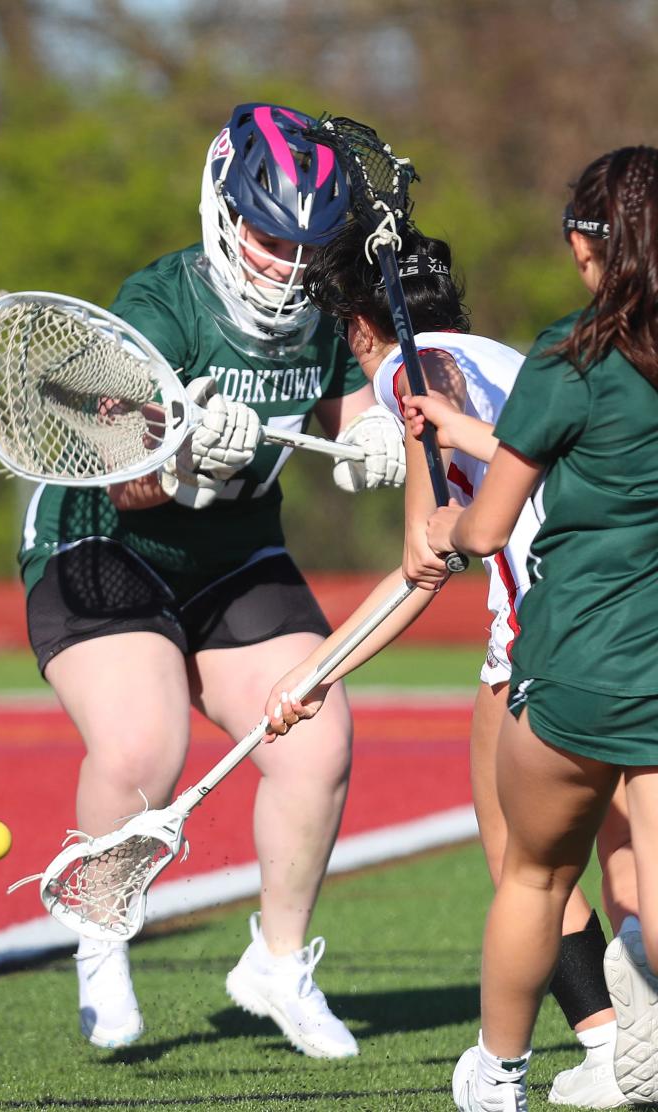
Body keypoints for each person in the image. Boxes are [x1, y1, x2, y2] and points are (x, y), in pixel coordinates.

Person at [19, 102, 405, 1055]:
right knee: (143, 749)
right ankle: (103, 936)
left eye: (304, 243)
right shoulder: (160, 305)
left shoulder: (323, 304)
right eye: (270, 234)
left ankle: (275, 966)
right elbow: (132, 485)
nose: (285, 260)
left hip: (232, 553)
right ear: (226, 212)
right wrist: (183, 450)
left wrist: (371, 431)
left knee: (318, 741)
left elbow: (349, 390)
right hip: (108, 544)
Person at [260, 220, 634, 1107]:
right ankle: (625, 1040)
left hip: (544, 625)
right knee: (626, 844)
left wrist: (314, 671)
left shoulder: (410, 370)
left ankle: (602, 1045)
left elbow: (423, 568)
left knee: (523, 862)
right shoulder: (508, 350)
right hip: (621, 610)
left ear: (360, 327)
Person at [418, 146, 658, 1111]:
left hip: (577, 672)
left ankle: (498, 1074)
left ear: (584, 245)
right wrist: (465, 426)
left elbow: (485, 528)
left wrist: (445, 524)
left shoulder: (574, 354)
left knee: (533, 876)